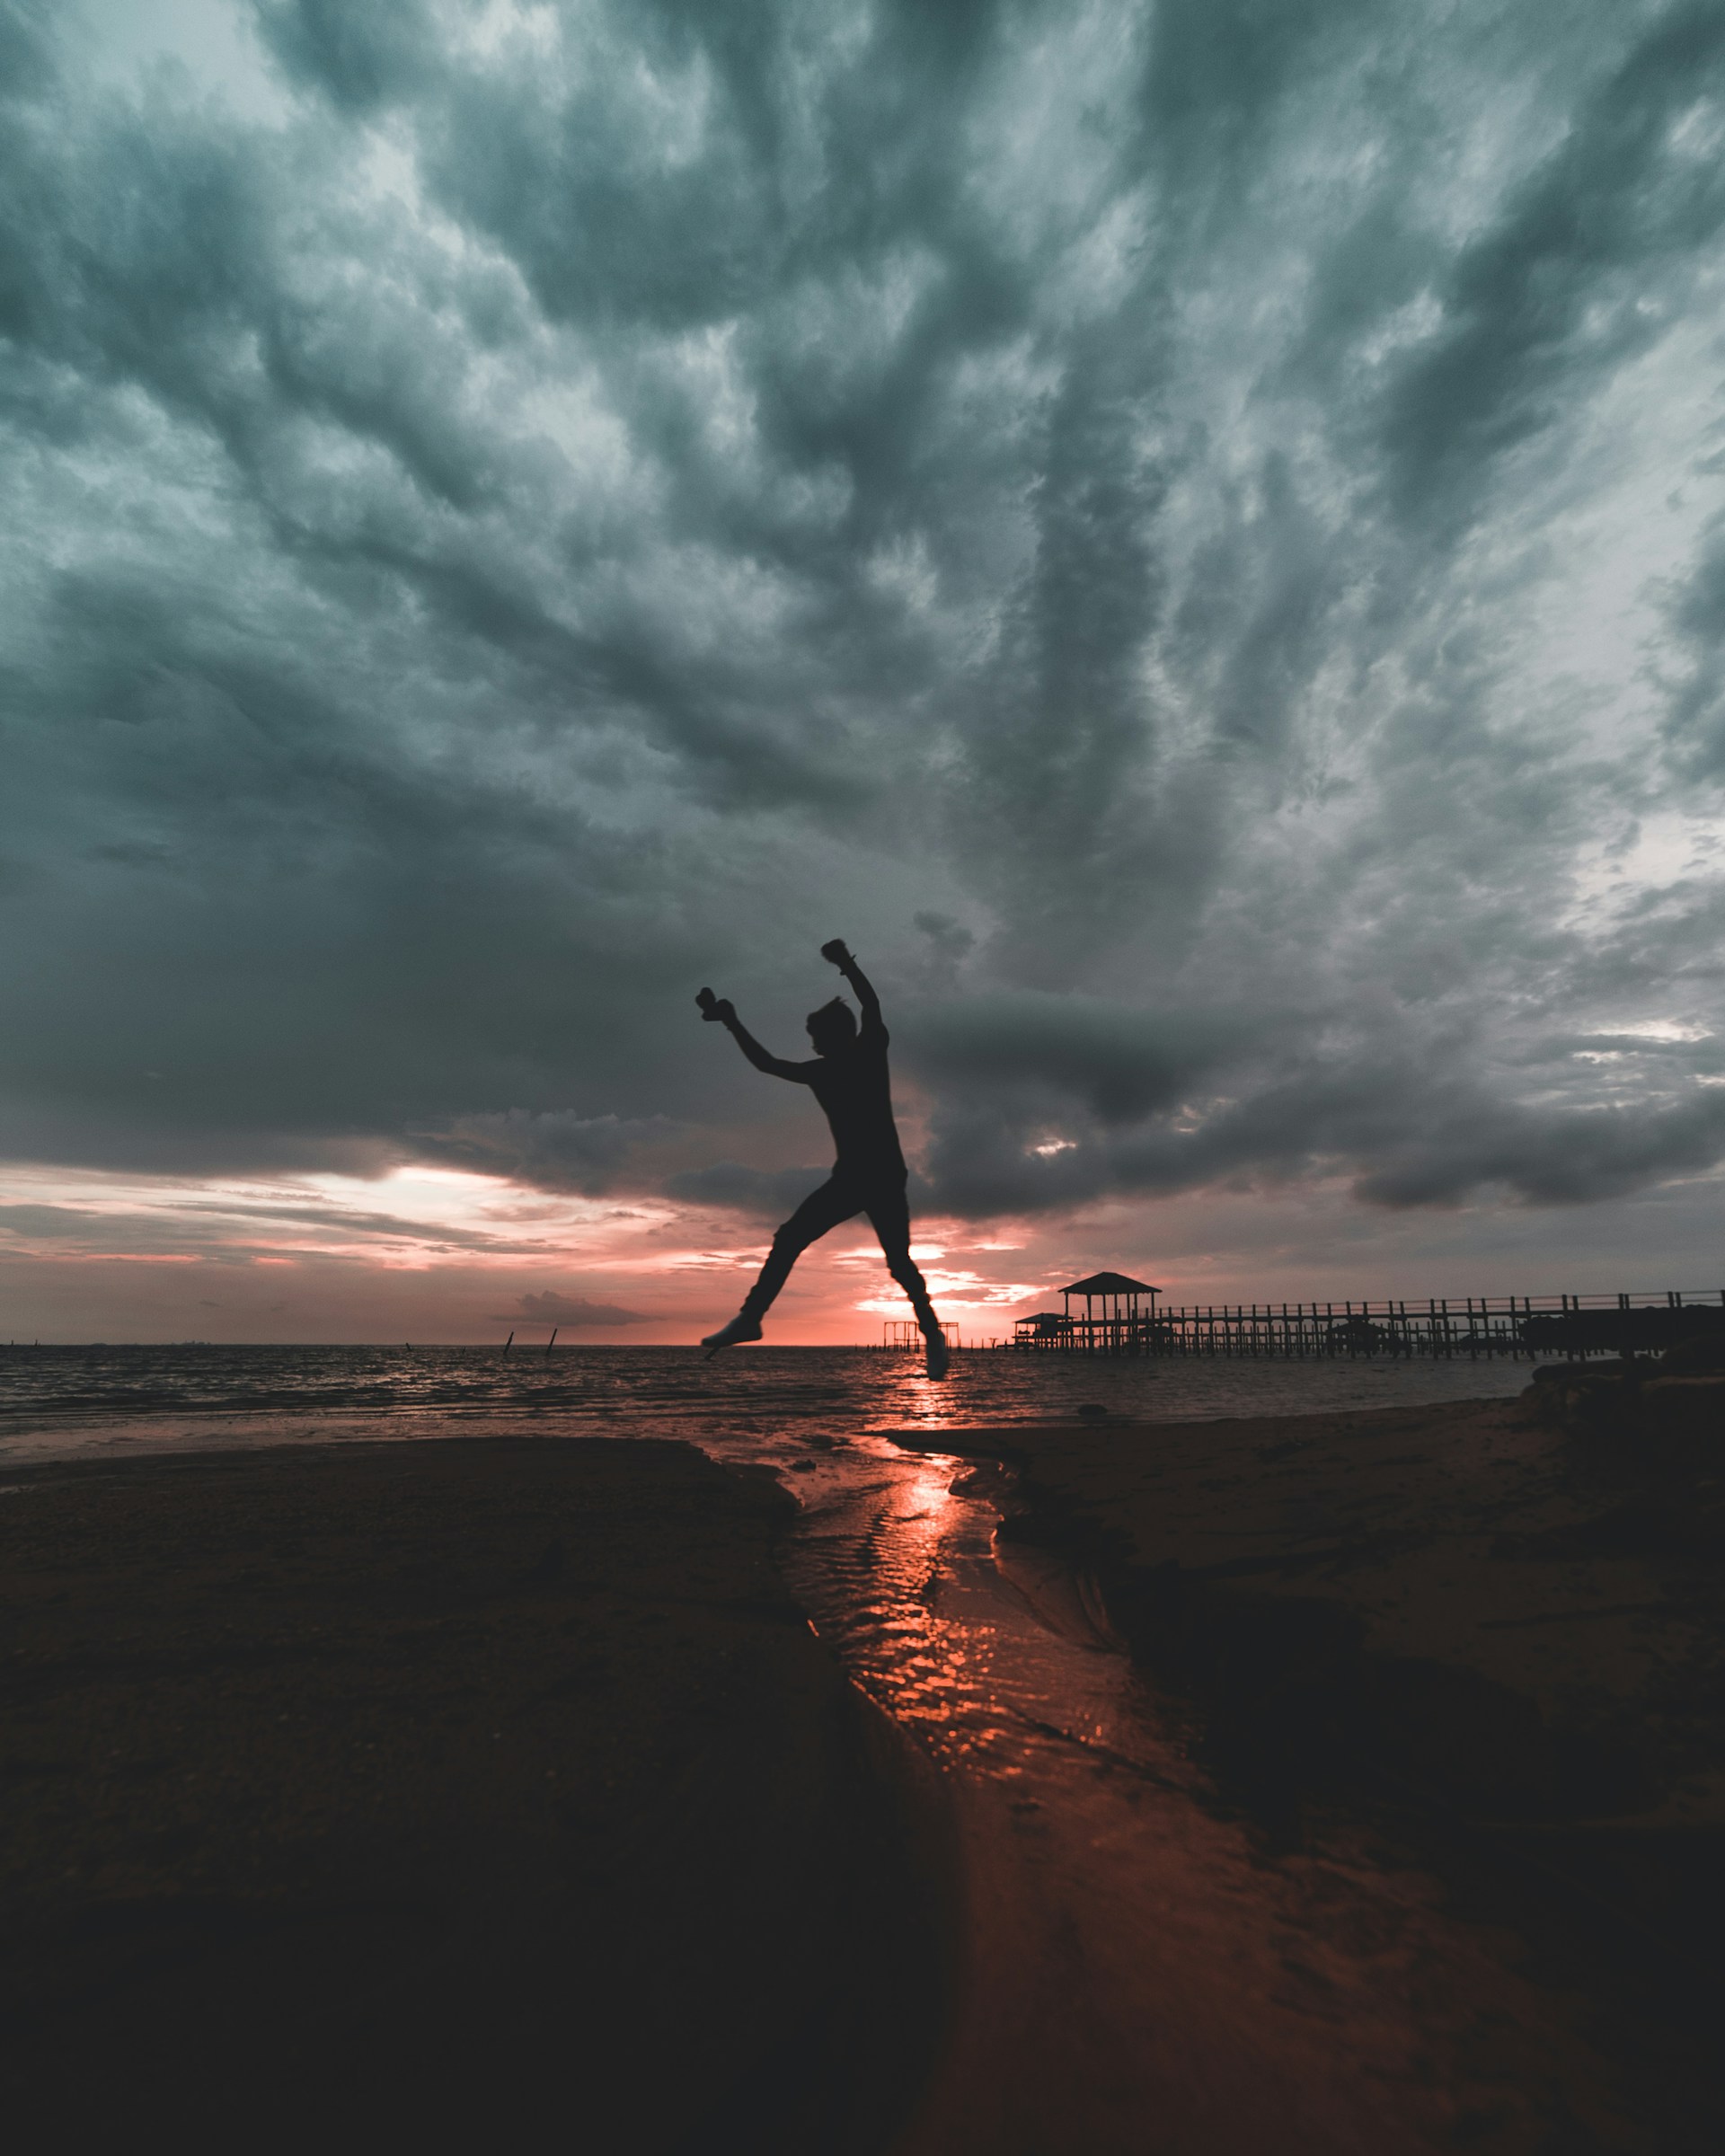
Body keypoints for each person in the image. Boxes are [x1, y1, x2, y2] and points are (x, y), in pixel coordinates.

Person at [695, 941, 948, 1377]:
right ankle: (751, 1318)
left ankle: (932, 1335)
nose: (812, 1045)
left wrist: (846, 963)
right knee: (791, 1238)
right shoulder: (821, 1071)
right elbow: (767, 1064)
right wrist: (732, 1023)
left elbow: (870, 1003)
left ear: (836, 1034)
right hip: (851, 1177)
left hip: (883, 1175)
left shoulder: (868, 1050)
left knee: (898, 1262)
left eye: (816, 1037)